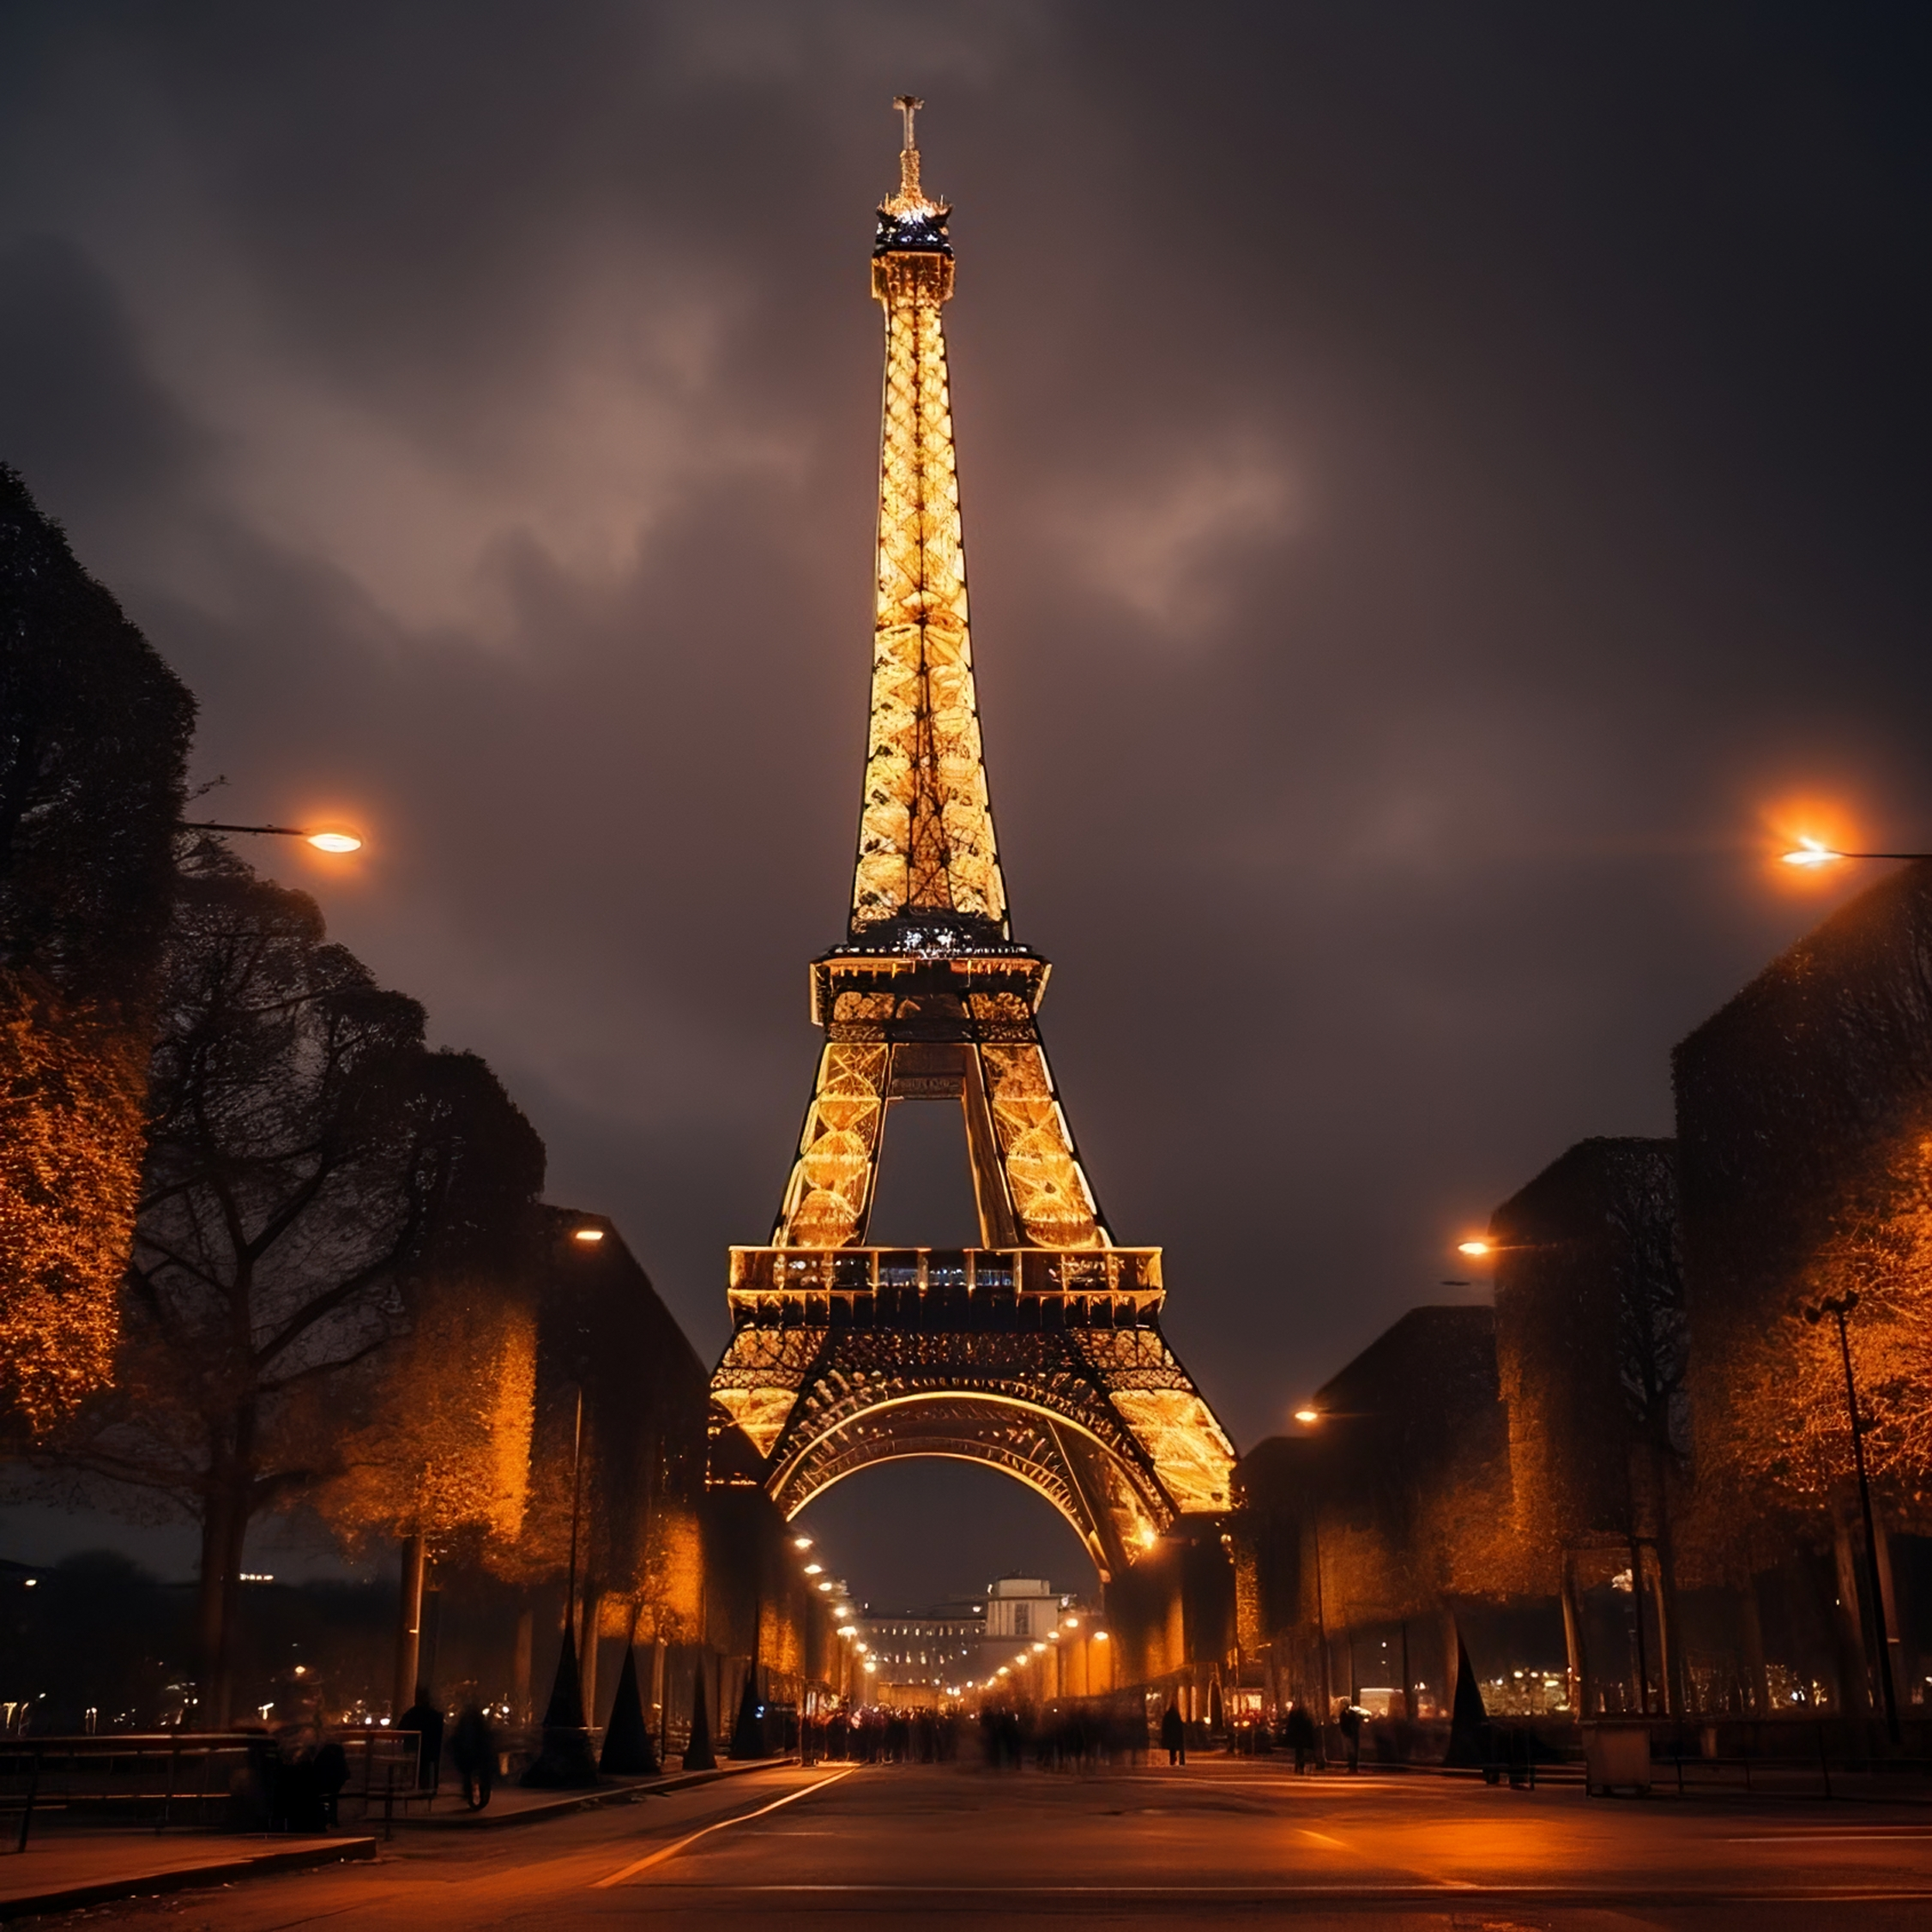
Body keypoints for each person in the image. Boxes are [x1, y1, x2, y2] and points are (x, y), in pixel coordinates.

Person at [449, 1703, 496, 1811]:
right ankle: (478, 1798)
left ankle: (472, 1797)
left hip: (469, 1753)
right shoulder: (479, 1725)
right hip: (476, 1753)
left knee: (469, 1775)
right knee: (481, 1775)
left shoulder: (465, 1725)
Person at [398, 1687, 444, 1793]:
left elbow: (400, 1730)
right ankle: (429, 1786)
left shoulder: (412, 1714)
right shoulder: (435, 1715)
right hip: (432, 1750)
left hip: (413, 1749)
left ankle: (412, 1784)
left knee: (414, 1761)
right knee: (426, 1762)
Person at [1284, 1700, 1318, 1775]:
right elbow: (1309, 1726)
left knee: (1298, 1751)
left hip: (1297, 1736)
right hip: (1303, 1736)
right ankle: (1301, 1765)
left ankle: (1298, 1765)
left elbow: (1290, 1726)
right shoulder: (1306, 1717)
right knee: (1302, 1752)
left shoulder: (1293, 1716)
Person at [1337, 1701, 1362, 1775]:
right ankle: (1353, 1767)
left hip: (1349, 1734)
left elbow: (1343, 1724)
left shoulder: (1344, 1714)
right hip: (1352, 1734)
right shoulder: (1353, 1714)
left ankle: (1352, 1767)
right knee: (1352, 1751)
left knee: (1351, 1751)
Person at [1160, 1698, 1186, 1767]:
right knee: (1180, 1748)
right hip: (1177, 1735)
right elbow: (1180, 1726)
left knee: (1172, 1750)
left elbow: (1164, 1726)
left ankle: (1172, 1760)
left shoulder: (1168, 1715)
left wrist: (1164, 1735)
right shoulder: (1177, 1715)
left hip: (1171, 1735)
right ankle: (1181, 1761)